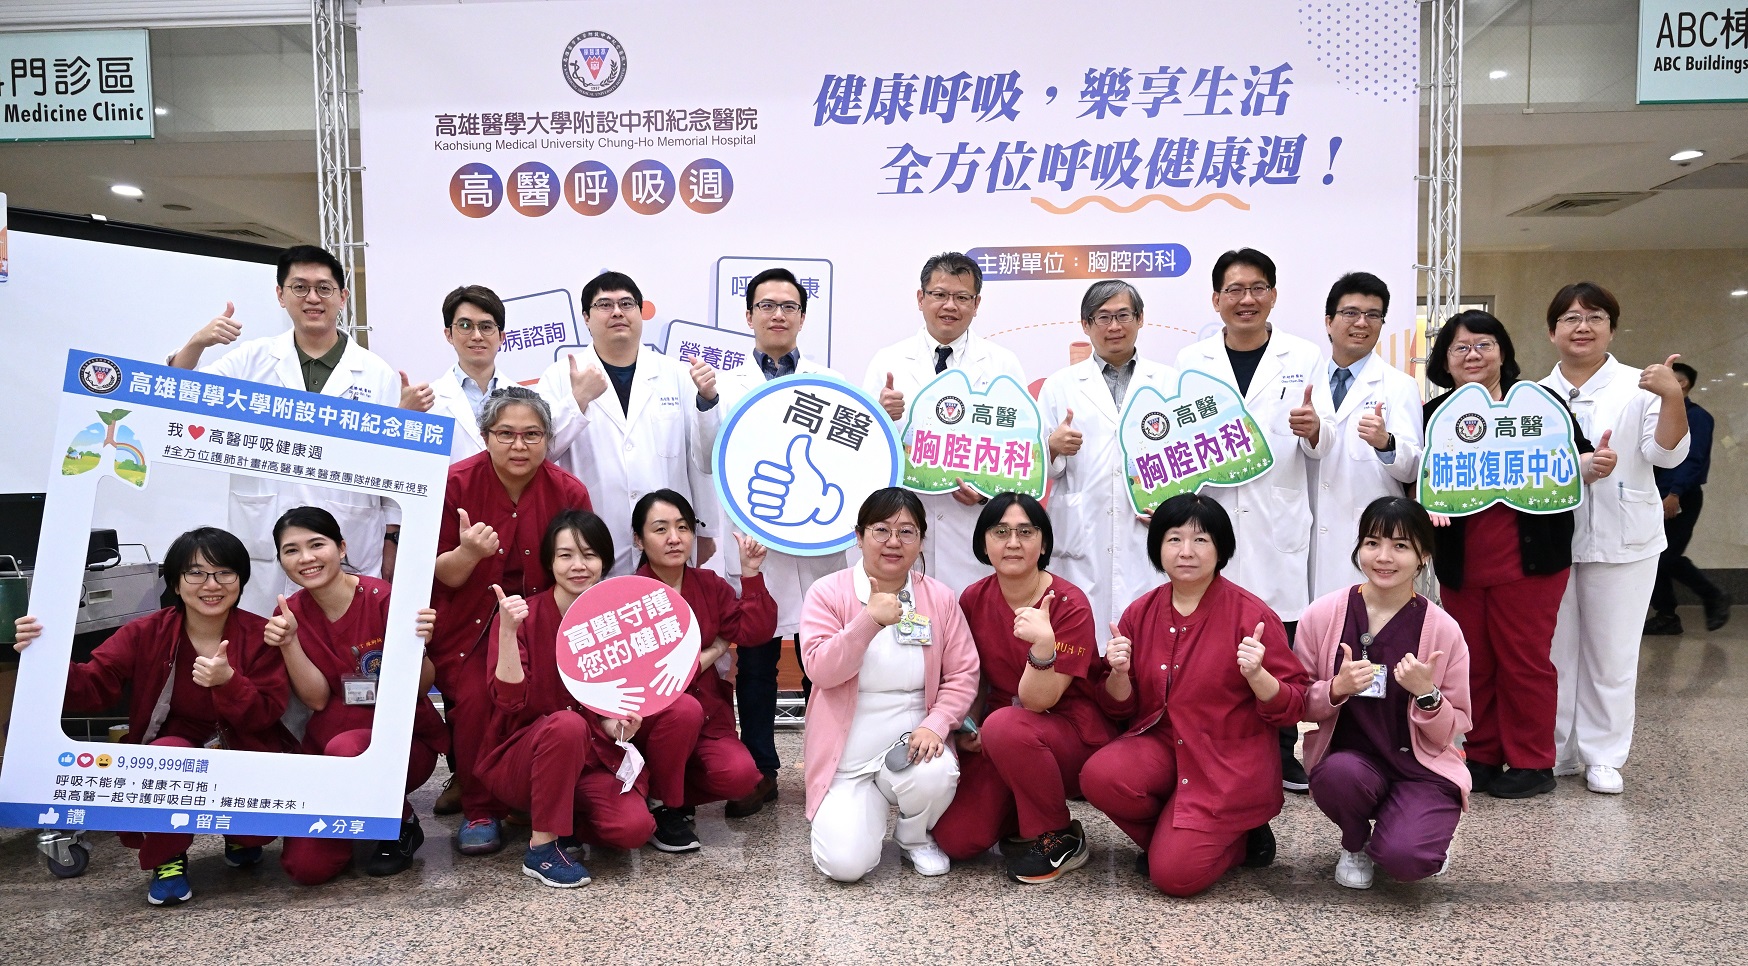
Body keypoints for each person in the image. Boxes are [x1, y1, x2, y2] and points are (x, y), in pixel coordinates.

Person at [12, 528, 290, 906]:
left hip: (244, 743)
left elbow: (267, 713)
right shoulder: (146, 632)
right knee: (166, 753)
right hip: (175, 744)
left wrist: (228, 683)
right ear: (175, 583)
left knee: (255, 832)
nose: (212, 584)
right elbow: (93, 686)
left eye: (225, 572)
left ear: (240, 580)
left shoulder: (261, 635)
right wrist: (43, 655)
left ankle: (240, 836)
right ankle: (168, 858)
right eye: (196, 573)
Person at [1078, 493, 1308, 897]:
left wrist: (1258, 676)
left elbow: (1294, 704)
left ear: (1221, 549)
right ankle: (1178, 836)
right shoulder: (1140, 612)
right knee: (1099, 777)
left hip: (1225, 761)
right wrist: (1118, 673)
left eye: (1201, 540)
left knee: (1174, 877)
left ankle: (1239, 838)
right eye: (1174, 539)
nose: (1186, 551)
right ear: (1158, 547)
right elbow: (1118, 705)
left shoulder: (1252, 615)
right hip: (1162, 747)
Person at [1423, 310, 1606, 800]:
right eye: (1461, 348)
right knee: (1473, 663)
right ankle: (1481, 754)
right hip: (1462, 560)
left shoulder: (1538, 404)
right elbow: (1416, 477)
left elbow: (1576, 459)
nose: (1473, 355)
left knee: (1524, 660)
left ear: (1502, 352)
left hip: (1530, 558)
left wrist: (1596, 463)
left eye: (1484, 344)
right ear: (1445, 360)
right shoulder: (1433, 413)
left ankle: (1532, 761)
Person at [169, 244, 405, 613]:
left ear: (342, 297)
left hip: (350, 530)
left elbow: (392, 463)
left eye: (324, 288)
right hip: (266, 529)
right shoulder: (253, 359)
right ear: (281, 295)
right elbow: (177, 394)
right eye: (300, 287)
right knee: (266, 634)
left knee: (344, 637)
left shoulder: (377, 373)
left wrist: (392, 538)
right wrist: (198, 343)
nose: (313, 298)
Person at [1175, 247, 1331, 794]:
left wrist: (1315, 429)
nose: (1247, 299)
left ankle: (1284, 749)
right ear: (1216, 299)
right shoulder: (1192, 360)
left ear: (1273, 295)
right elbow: (1178, 441)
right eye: (1235, 290)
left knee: (1278, 638)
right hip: (1215, 513)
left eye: (1257, 288)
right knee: (1214, 640)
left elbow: (1324, 442)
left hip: (1274, 517)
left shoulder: (1304, 355)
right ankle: (1215, 743)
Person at [1539, 282, 1689, 795]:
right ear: (1552, 332)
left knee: (1612, 654)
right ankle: (1556, 749)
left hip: (1624, 539)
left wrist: (1671, 395)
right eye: (1570, 318)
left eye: (1595, 317)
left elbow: (1666, 454)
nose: (1582, 327)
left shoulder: (1639, 385)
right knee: (1554, 653)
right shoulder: (1534, 395)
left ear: (1612, 328)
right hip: (1553, 541)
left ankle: (1603, 756)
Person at [429, 387, 593, 855]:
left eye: (532, 435)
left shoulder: (569, 491)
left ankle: (531, 794)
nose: (519, 446)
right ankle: (481, 808)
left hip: (546, 625)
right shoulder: (455, 485)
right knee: (476, 699)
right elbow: (438, 573)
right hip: (472, 623)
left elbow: (585, 567)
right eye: (506, 434)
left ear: (547, 439)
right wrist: (468, 553)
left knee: (545, 702)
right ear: (485, 437)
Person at [710, 267, 846, 815]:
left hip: (817, 541)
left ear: (803, 317)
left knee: (823, 664)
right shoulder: (722, 388)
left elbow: (849, 459)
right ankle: (760, 770)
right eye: (766, 305)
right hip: (756, 543)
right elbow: (706, 456)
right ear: (748, 316)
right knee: (758, 659)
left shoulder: (830, 383)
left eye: (789, 306)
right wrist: (705, 404)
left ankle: (829, 769)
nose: (777, 315)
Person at [930, 493, 1117, 883]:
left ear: (1043, 544)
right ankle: (1022, 805)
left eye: (1025, 532)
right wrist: (968, 727)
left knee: (1008, 725)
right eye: (1000, 532)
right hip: (1000, 733)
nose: (1012, 543)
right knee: (957, 840)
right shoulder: (973, 598)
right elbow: (975, 678)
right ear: (984, 543)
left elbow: (1038, 699)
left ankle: (1058, 834)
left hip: (1068, 734)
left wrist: (1044, 646)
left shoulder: (1070, 604)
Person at [799, 488, 979, 882]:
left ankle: (915, 836)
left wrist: (937, 724)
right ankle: (867, 805)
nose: (894, 542)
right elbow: (820, 670)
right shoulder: (827, 593)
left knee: (936, 774)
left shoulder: (939, 598)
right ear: (859, 536)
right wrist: (869, 621)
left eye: (907, 531)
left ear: (921, 540)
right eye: (881, 530)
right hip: (846, 752)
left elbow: (963, 674)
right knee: (844, 866)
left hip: (912, 739)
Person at [264, 507, 449, 885]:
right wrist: (289, 642)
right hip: (329, 754)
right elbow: (316, 700)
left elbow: (417, 689)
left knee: (347, 748)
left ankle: (400, 823)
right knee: (306, 868)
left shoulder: (385, 599)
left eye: (317, 545)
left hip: (401, 747)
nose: (306, 558)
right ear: (281, 560)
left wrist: (419, 649)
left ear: (342, 547)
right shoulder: (289, 614)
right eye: (291, 550)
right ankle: (361, 813)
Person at [1297, 498, 1471, 889]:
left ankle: (1417, 832)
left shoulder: (1443, 630)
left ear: (1423, 555)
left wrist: (1427, 694)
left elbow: (1454, 726)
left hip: (1422, 769)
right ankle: (1355, 842)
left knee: (1408, 860)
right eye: (1372, 543)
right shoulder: (1322, 615)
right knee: (1337, 775)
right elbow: (1298, 700)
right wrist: (1335, 689)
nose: (1383, 557)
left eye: (1400, 546)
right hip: (1353, 764)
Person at [480, 510, 661, 887]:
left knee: (634, 829)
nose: (579, 565)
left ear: (605, 562)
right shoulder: (521, 616)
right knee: (566, 724)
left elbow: (609, 707)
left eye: (589, 555)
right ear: (549, 561)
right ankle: (542, 848)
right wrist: (508, 632)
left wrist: (618, 726)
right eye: (566, 555)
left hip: (590, 759)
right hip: (523, 761)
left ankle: (568, 824)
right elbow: (509, 701)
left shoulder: (615, 620)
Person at [536, 270, 722, 577]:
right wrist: (577, 401)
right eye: (604, 305)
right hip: (592, 533)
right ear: (586, 318)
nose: (617, 312)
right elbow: (540, 453)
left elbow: (702, 459)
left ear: (640, 312)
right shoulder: (558, 377)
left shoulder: (676, 374)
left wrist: (705, 527)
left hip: (666, 538)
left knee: (665, 604)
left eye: (626, 303)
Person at [863, 253, 1026, 592]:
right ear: (920, 298)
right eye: (939, 294)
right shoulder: (887, 361)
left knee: (969, 616)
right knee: (904, 618)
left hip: (971, 524)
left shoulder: (1002, 364)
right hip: (903, 526)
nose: (950, 305)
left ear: (976, 304)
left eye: (962, 297)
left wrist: (985, 493)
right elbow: (862, 447)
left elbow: (1018, 449)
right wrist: (879, 415)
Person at [1035, 280, 1179, 646]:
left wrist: (1172, 505)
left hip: (1146, 525)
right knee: (1081, 639)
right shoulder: (1060, 385)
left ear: (1140, 319)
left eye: (1123, 315)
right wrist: (1052, 448)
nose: (1114, 326)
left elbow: (1188, 459)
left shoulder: (1169, 382)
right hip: (1082, 530)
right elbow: (1034, 467)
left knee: (1146, 639)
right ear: (1086, 325)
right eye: (1103, 317)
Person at [631, 489, 775, 843]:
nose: (674, 538)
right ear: (638, 540)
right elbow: (662, 676)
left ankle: (667, 788)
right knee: (683, 710)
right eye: (660, 529)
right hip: (654, 723)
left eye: (683, 527)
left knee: (742, 777)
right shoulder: (628, 595)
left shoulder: (708, 584)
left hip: (709, 718)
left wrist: (750, 573)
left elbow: (754, 632)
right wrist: (717, 648)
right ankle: (663, 803)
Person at [1307, 272, 1425, 599]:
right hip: (1306, 533)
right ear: (1329, 321)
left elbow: (1414, 468)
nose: (1362, 322)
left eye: (1373, 315)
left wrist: (1386, 443)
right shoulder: (1303, 380)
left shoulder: (1399, 385)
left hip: (1369, 535)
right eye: (1351, 313)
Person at [1647, 362, 1730, 635]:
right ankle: (1666, 616)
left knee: (1666, 557)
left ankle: (1713, 594)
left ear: (1681, 383)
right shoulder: (1659, 415)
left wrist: (1675, 493)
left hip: (1679, 496)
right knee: (1654, 557)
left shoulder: (1697, 417)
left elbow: (1693, 458)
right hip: (1655, 495)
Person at [399, 284, 509, 464]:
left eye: (486, 326)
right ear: (448, 335)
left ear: (501, 337)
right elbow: (400, 466)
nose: (477, 336)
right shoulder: (424, 403)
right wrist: (403, 415)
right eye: (465, 325)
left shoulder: (526, 400)